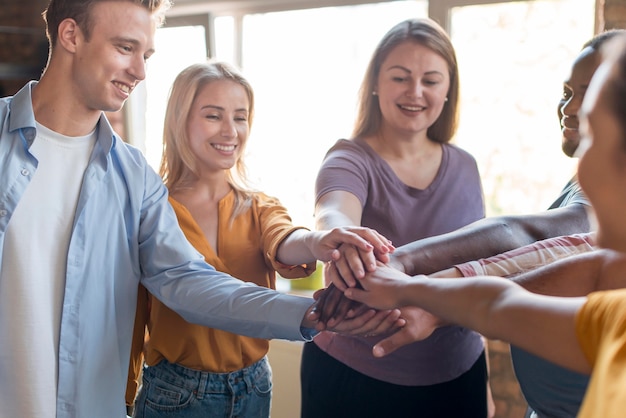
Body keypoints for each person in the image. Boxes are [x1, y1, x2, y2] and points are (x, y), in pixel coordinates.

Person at [0, 1, 398, 417]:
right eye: (124, 48)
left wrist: (314, 313)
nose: (140, 71)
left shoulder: (135, 178)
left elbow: (190, 284)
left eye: (146, 55)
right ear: (70, 36)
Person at [344, 35, 626, 418]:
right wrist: (415, 288)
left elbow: (528, 241)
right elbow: (498, 303)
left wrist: (408, 272)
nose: (583, 174)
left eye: (596, 138)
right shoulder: (612, 294)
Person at [124, 61, 402, 418]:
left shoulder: (258, 205)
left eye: (240, 117)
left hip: (253, 385)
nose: (231, 131)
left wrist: (317, 241)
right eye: (213, 116)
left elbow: (284, 238)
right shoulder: (151, 210)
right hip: (175, 390)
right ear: (179, 119)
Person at [300, 18, 488, 418]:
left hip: (460, 373)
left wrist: (483, 381)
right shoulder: (349, 158)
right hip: (355, 378)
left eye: (431, 80)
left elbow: (478, 269)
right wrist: (340, 234)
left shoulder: (467, 167)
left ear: (448, 88)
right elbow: (334, 210)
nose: (415, 92)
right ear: (375, 83)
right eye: (400, 77)